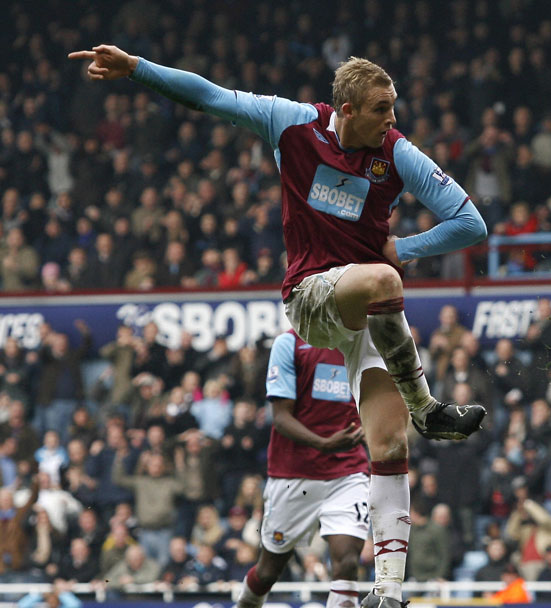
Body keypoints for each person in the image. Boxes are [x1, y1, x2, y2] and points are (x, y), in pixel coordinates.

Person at [70, 44, 488, 608]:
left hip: (368, 314)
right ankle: (429, 407)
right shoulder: (291, 123)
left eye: (394, 107)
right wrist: (137, 69)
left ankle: (388, 593)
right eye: (382, 108)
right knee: (387, 283)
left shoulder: (397, 151)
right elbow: (210, 97)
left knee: (389, 443)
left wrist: (405, 245)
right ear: (346, 108)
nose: (393, 118)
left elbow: (470, 222)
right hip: (313, 296)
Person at [235, 330, 371, 608]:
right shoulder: (290, 343)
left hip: (348, 471)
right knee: (268, 571)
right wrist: (323, 444)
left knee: (346, 562)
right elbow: (281, 418)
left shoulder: (359, 339)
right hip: (292, 475)